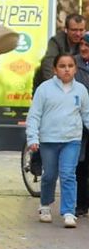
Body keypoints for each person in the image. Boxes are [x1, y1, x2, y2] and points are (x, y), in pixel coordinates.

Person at [27, 53, 89, 227]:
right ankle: (45, 205)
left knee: (68, 174)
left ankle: (69, 212)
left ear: (75, 69)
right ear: (55, 70)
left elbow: (86, 114)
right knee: (49, 175)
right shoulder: (44, 89)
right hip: (49, 140)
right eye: (62, 66)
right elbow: (34, 115)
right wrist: (33, 137)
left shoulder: (81, 90)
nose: (66, 69)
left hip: (72, 140)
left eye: (70, 66)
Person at [35, 14, 86, 92]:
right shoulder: (56, 41)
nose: (78, 34)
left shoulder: (86, 41)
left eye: (81, 30)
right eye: (74, 30)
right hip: (50, 84)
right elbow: (49, 64)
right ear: (66, 30)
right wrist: (55, 88)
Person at [74, 40, 89, 216]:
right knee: (80, 165)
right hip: (79, 123)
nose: (84, 48)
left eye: (88, 45)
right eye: (82, 45)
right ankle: (81, 204)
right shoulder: (73, 64)